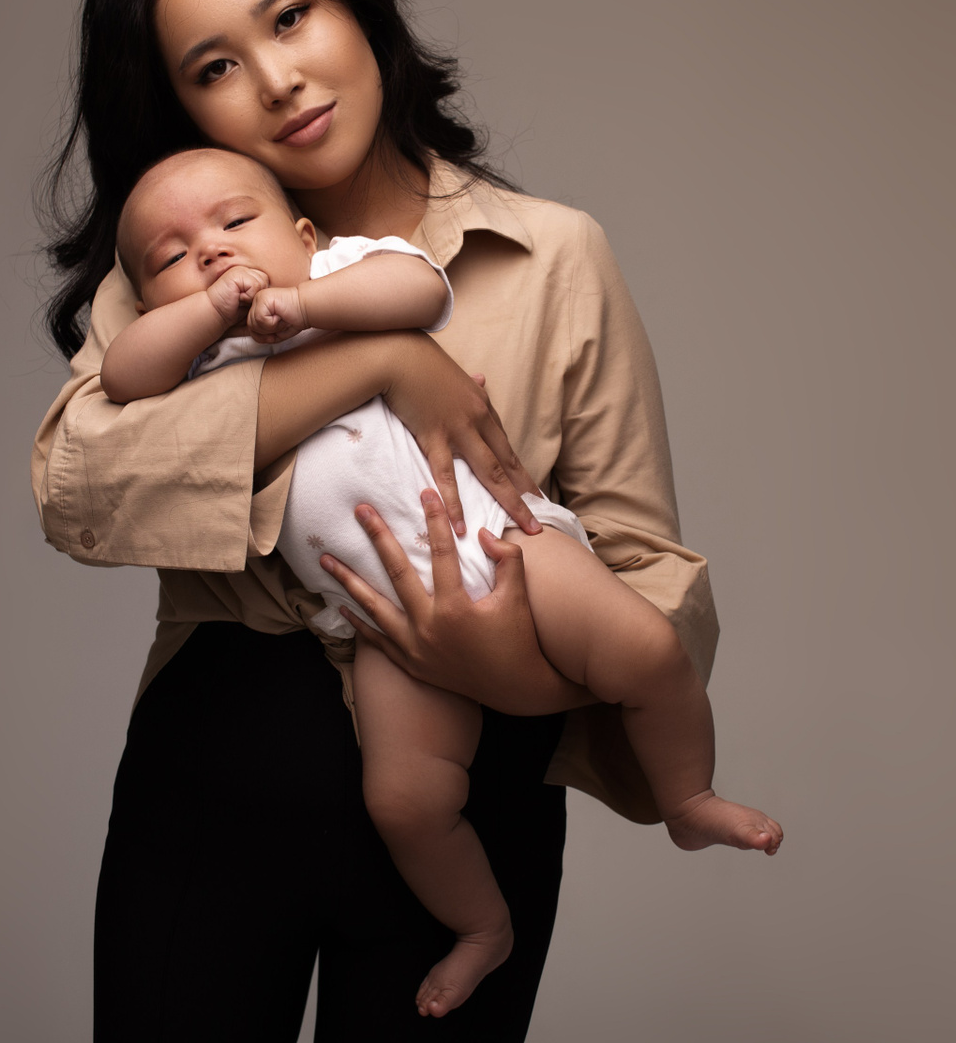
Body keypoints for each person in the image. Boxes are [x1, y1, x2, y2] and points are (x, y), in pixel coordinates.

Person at [33, 0, 746, 1040]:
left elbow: (646, 567)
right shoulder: (183, 266)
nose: (277, 79)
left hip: (470, 776)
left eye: (291, 15)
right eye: (213, 66)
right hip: (219, 763)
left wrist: (529, 679)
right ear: (179, 103)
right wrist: (379, 362)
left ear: (359, 4)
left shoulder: (552, 254)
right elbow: (78, 487)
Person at [95, 147, 783, 1018]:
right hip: (380, 629)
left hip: (506, 547)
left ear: (303, 235)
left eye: (236, 222)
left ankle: (687, 796)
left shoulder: (340, 270)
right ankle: (481, 928)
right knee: (406, 799)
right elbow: (121, 377)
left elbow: (419, 290)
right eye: (172, 257)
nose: (212, 251)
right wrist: (206, 313)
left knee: (645, 648)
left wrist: (303, 304)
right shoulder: (199, 361)